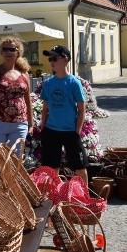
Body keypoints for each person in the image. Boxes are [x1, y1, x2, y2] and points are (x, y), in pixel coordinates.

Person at [39, 45, 89, 185]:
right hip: (51, 131)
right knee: (52, 167)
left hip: (70, 132)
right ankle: (56, 196)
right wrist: (43, 127)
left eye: (55, 58)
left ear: (65, 60)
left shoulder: (74, 83)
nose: (52, 62)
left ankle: (84, 196)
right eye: (50, 59)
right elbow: (45, 108)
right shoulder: (48, 83)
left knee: (79, 166)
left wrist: (77, 131)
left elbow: (81, 109)